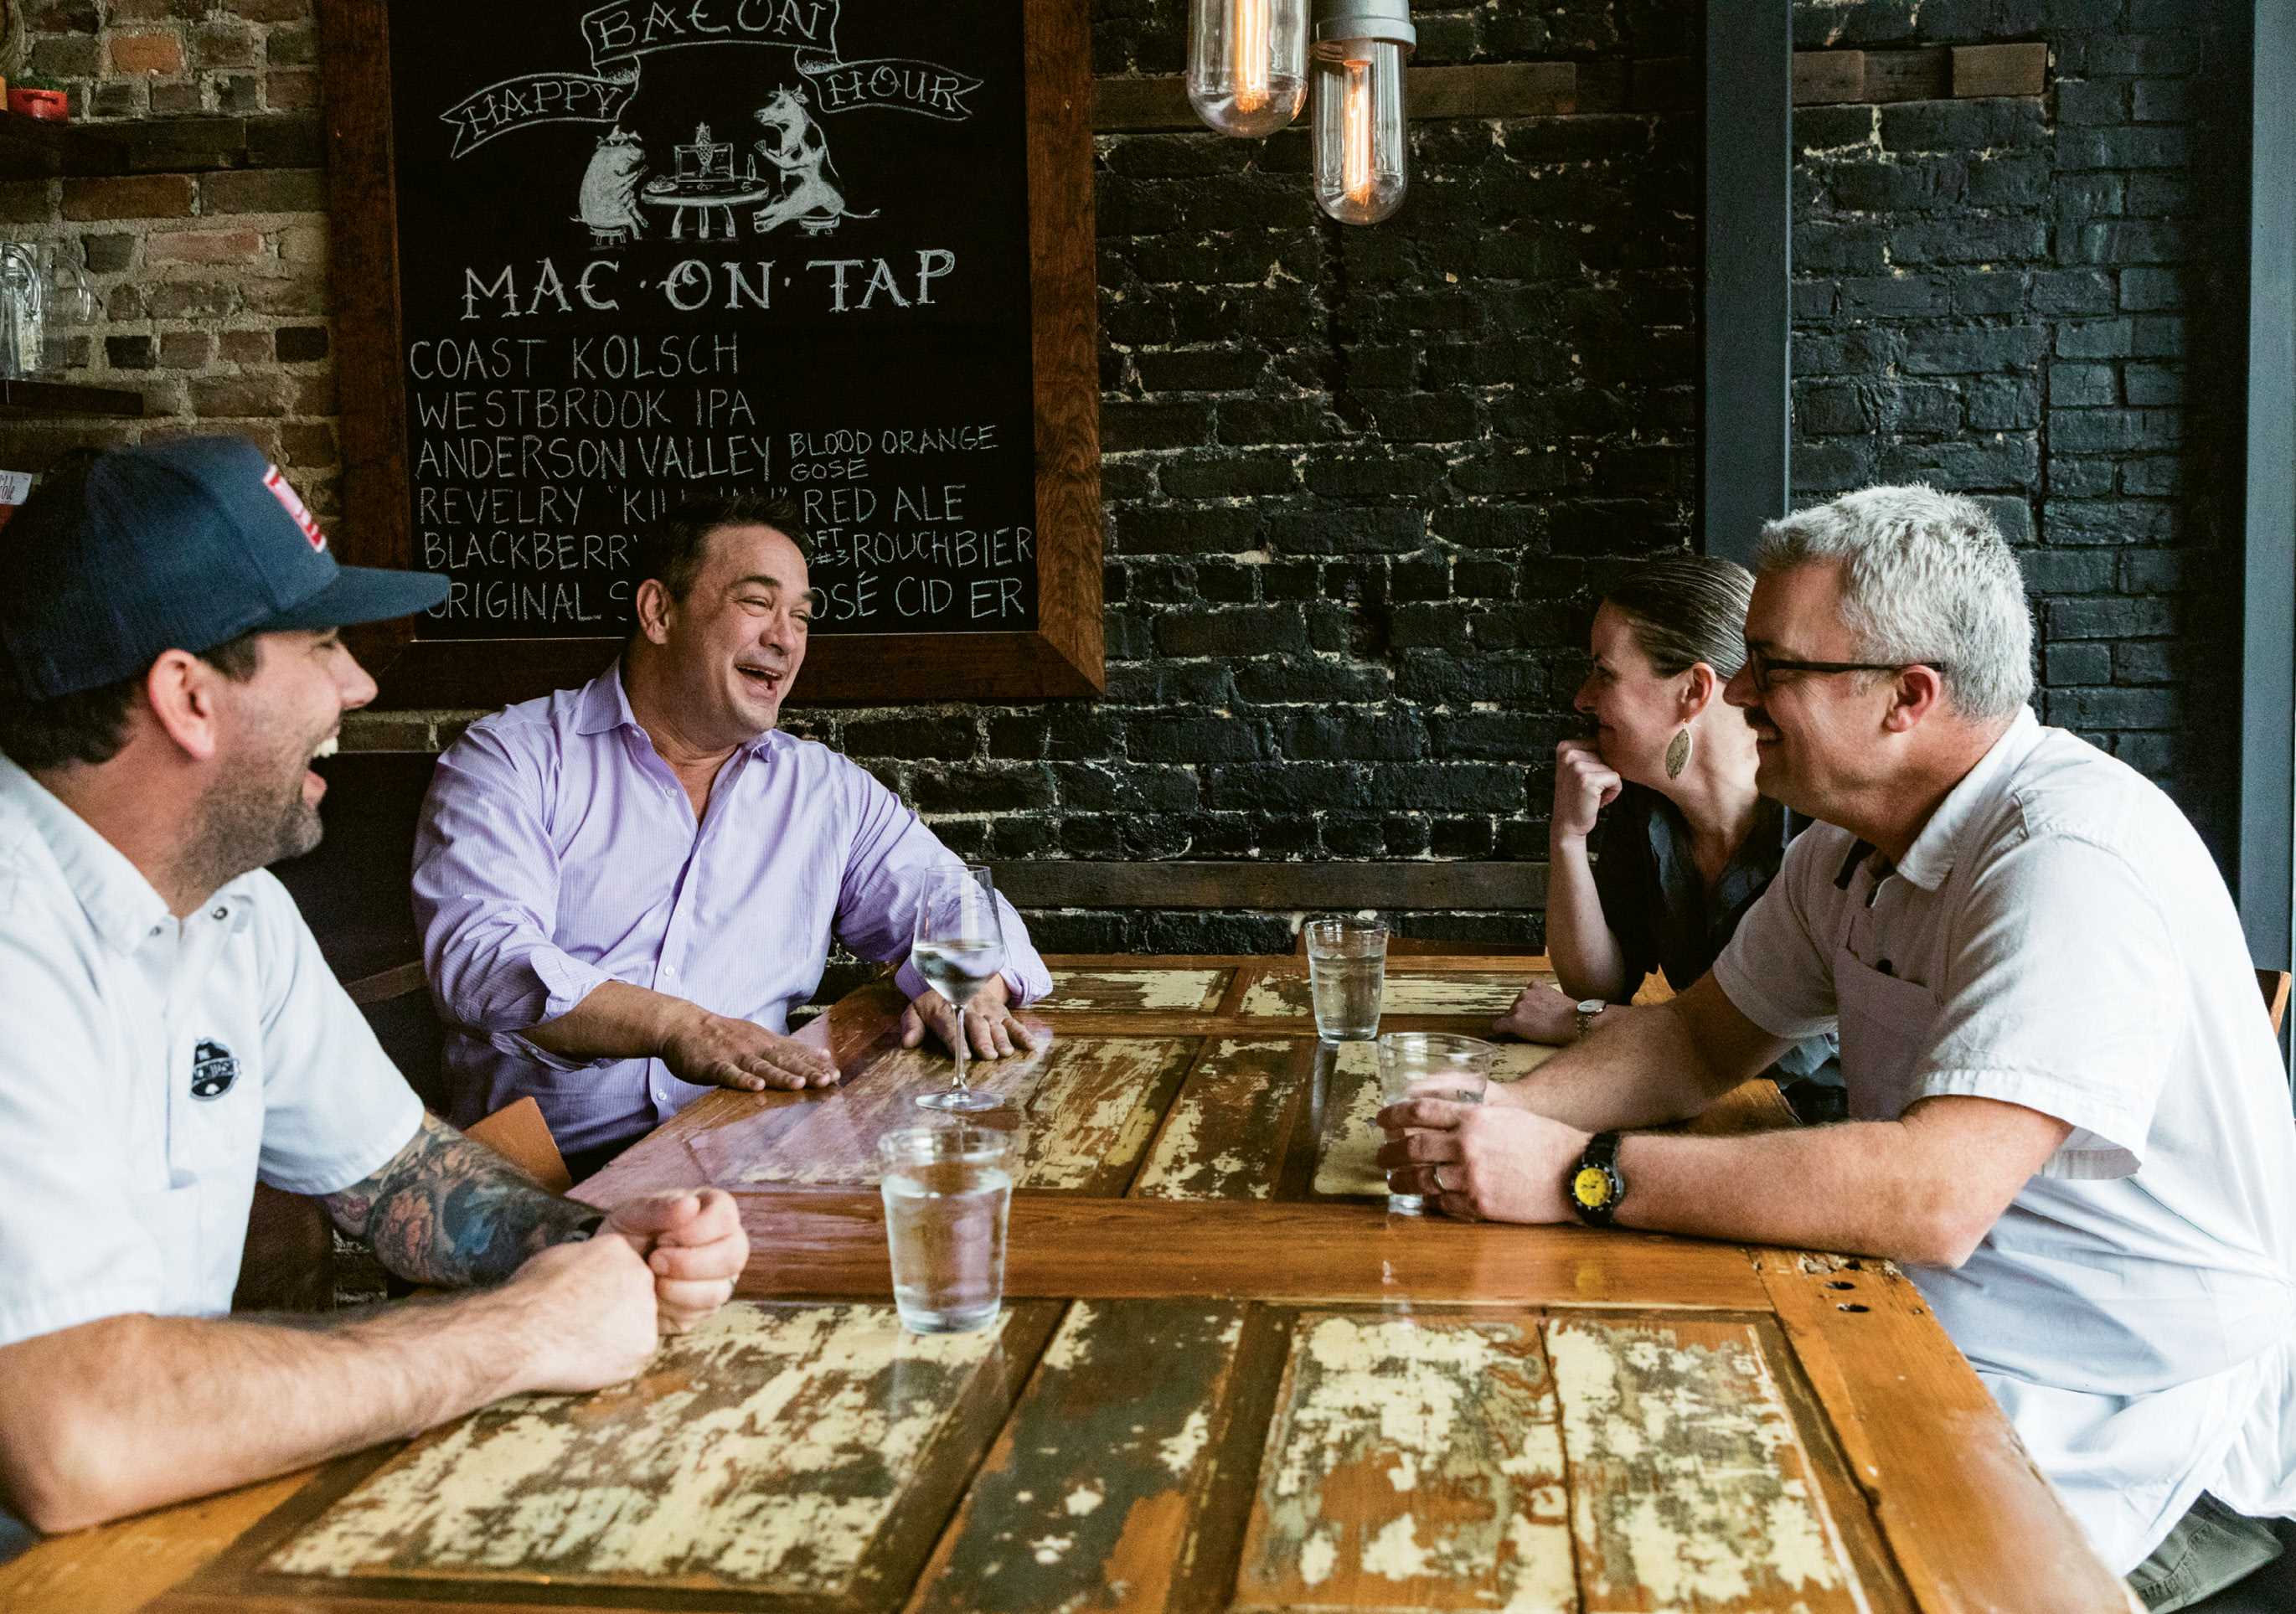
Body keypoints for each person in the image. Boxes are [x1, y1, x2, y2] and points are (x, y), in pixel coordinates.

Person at [1380, 485, 2296, 1608]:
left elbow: (1930, 1194)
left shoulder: (2067, 855)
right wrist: (1498, 1118)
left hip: (2146, 1431)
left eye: (1775, 665)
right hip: (1932, 1345)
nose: (1744, 693)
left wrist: (1580, 1173)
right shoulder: (1845, 850)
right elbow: (1696, 1035)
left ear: (1907, 695)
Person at [0, 439, 748, 1544]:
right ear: (187, 696)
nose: (359, 683)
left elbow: (394, 1168)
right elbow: (77, 1431)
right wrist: (517, 1333)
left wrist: (588, 1239)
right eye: (325, 642)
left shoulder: (234, 909)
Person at [414, 492, 1051, 1176]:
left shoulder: (822, 789)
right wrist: (678, 1027)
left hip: (748, 1155)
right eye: (757, 602)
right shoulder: (510, 758)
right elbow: (483, 960)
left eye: (802, 615)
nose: (787, 637)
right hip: (541, 1178)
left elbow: (956, 902)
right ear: (659, 612)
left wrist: (971, 982)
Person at [1491, 557, 1840, 1120]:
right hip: (1701, 1109)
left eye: (1604, 674)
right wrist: (1567, 836)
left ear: (1693, 690)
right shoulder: (1647, 800)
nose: (1582, 698)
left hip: (1819, 1133)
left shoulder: (1820, 824)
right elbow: (1598, 980)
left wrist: (1578, 1023)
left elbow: (1772, 1053)